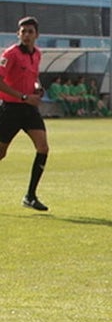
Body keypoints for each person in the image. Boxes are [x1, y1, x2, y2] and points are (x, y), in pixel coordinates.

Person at [0, 16, 50, 211]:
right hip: (10, 109)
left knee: (43, 147)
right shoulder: (10, 54)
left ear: (37, 35)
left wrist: (38, 88)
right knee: (1, 153)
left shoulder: (37, 54)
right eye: (23, 32)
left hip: (29, 109)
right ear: (18, 34)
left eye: (30, 31)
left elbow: (34, 77)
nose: (26, 35)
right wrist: (23, 96)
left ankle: (30, 196)